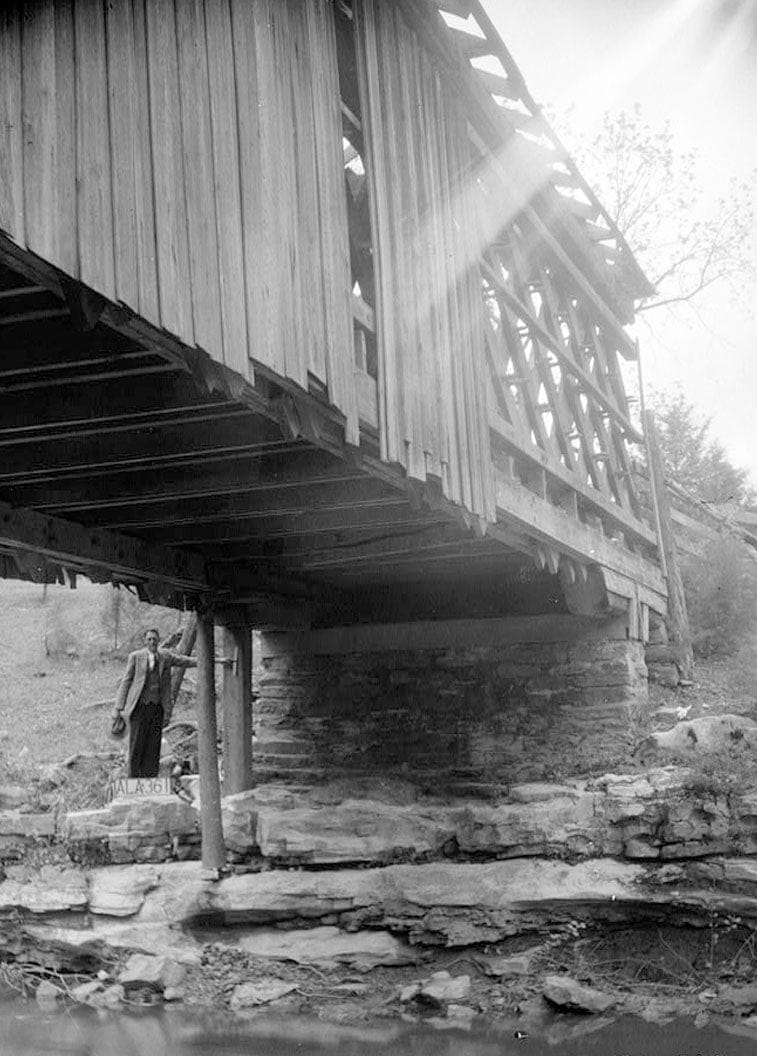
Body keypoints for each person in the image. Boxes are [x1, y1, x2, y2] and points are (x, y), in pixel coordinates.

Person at [112, 628, 199, 779]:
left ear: (158, 641)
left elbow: (184, 661)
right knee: (137, 743)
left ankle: (150, 779)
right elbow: (126, 682)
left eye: (154, 639)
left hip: (157, 707)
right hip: (139, 707)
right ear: (145, 641)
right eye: (149, 639)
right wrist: (118, 708)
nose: (152, 642)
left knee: (153, 744)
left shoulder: (165, 656)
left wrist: (208, 660)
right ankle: (134, 779)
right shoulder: (136, 657)